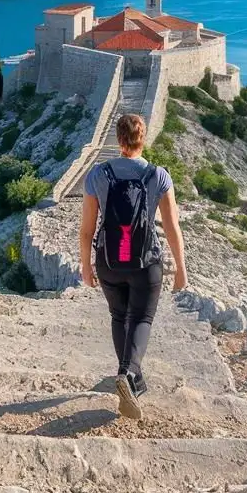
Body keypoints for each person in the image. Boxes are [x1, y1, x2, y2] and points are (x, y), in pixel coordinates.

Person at [80, 113, 187, 420]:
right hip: (145, 261)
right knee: (141, 318)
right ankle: (128, 374)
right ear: (143, 138)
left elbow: (87, 229)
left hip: (109, 260)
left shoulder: (98, 175)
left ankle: (130, 377)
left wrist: (86, 265)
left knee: (119, 315)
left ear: (119, 139)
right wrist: (181, 268)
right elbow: (172, 228)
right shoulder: (159, 176)